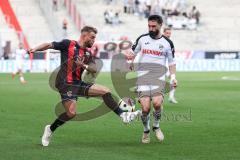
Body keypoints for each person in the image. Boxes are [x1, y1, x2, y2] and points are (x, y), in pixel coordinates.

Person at [29, 26, 140, 147]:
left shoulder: (87, 53)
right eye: (92, 37)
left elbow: (94, 69)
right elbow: (49, 45)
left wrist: (84, 65)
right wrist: (35, 49)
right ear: (84, 35)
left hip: (78, 83)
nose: (93, 40)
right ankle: (50, 129)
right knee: (71, 113)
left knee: (105, 91)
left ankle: (123, 115)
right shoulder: (68, 44)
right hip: (65, 83)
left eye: (95, 38)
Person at [127, 15, 177, 143]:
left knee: (157, 103)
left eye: (153, 26)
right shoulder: (142, 39)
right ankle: (146, 130)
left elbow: (171, 63)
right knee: (145, 109)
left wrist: (173, 77)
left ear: (160, 25)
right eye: (149, 26)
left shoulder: (167, 43)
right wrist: (130, 61)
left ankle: (156, 126)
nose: (151, 28)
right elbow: (133, 52)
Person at [163, 27, 178, 104]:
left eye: (170, 33)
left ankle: (171, 97)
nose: (169, 35)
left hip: (167, 66)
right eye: (167, 33)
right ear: (163, 33)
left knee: (174, 81)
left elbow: (172, 57)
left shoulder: (170, 43)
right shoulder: (159, 41)